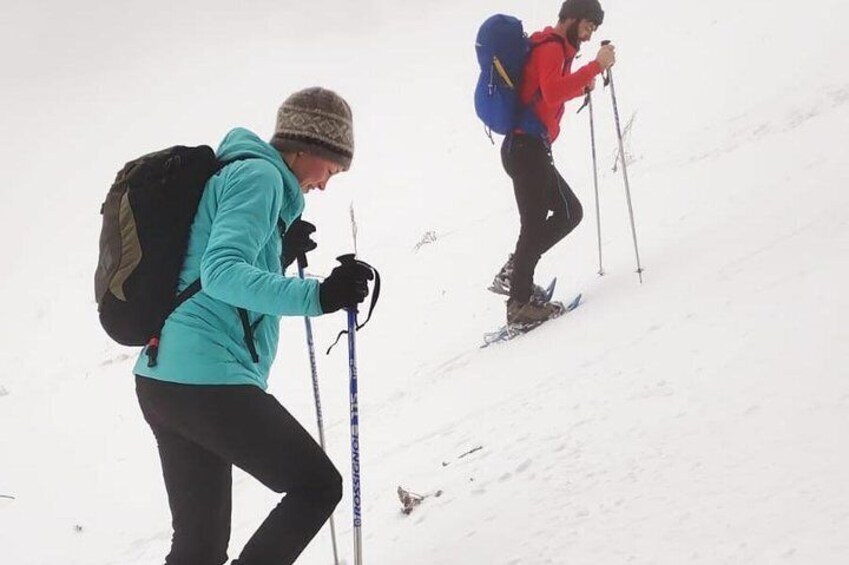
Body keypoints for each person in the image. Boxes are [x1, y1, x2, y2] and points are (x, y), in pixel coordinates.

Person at [133, 87, 374, 565]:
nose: (326, 184)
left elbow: (207, 267)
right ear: (305, 147)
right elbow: (222, 273)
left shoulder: (243, 172)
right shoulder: (260, 177)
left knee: (197, 549)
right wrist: (319, 295)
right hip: (207, 379)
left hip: (165, 380)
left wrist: (278, 252)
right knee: (316, 486)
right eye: (331, 168)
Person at [489, 0, 616, 324]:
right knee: (534, 222)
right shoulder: (551, 49)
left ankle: (518, 272)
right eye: (587, 26)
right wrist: (595, 68)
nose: (588, 35)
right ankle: (519, 303)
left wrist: (581, 83)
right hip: (525, 148)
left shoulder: (554, 49)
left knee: (569, 211)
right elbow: (550, 92)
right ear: (572, 19)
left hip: (528, 148)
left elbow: (548, 92)